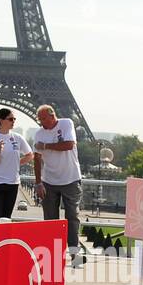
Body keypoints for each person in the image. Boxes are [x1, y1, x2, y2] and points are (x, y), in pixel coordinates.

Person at [31, 104, 84, 265]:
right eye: (39, 120)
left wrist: (46, 146)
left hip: (71, 179)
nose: (41, 123)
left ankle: (75, 253)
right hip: (49, 182)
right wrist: (39, 183)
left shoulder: (66, 123)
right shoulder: (39, 133)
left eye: (43, 119)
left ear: (51, 115)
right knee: (50, 220)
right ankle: (52, 255)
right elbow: (37, 159)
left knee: (72, 217)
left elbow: (69, 145)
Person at [0, 108, 34, 221]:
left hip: (12, 183)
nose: (13, 121)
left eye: (14, 119)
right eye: (10, 119)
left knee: (6, 218)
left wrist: (17, 163)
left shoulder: (18, 138)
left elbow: (30, 155)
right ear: (1, 120)